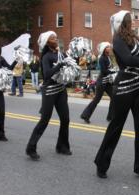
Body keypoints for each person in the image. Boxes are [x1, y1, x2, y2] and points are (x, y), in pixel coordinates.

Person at [94, 10, 139, 180]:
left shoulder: (137, 39)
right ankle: (101, 163)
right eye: (130, 19)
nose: (133, 21)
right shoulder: (117, 39)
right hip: (124, 88)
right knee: (116, 127)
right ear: (123, 22)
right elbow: (127, 60)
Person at [26, 31, 71, 161]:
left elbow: (66, 66)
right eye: (52, 38)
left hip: (61, 89)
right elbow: (47, 74)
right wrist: (59, 65)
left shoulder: (60, 54)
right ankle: (31, 147)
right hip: (49, 90)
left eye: (56, 37)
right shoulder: (46, 56)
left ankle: (62, 146)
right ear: (47, 42)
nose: (55, 39)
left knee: (65, 119)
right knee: (45, 120)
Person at [80, 42, 114, 123]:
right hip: (101, 83)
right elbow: (104, 71)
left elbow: (109, 68)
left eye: (109, 47)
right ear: (104, 49)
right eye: (107, 47)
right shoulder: (102, 58)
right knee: (96, 100)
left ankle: (110, 117)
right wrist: (113, 72)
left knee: (114, 98)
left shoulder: (108, 57)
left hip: (107, 82)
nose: (109, 48)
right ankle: (85, 115)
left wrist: (113, 70)